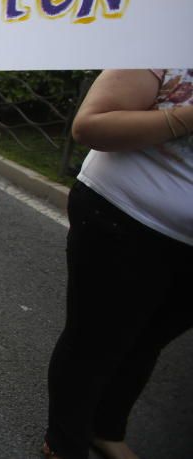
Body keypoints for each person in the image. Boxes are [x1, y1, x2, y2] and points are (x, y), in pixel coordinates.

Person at [43, 69, 193, 459]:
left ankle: (105, 429)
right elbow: (91, 125)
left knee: (147, 340)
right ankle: (65, 444)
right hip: (125, 218)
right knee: (95, 339)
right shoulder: (169, 37)